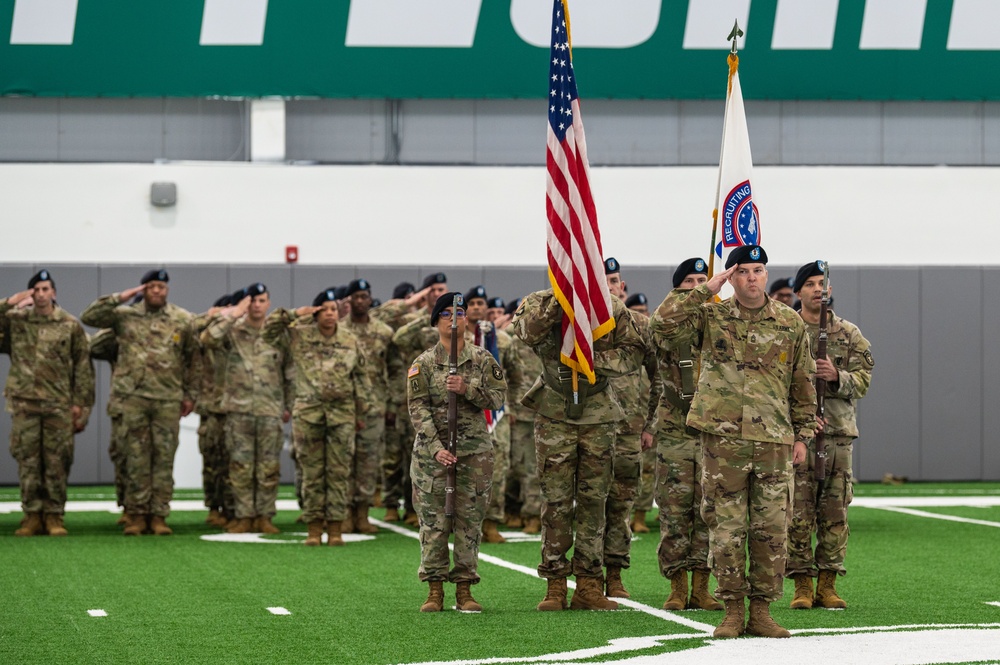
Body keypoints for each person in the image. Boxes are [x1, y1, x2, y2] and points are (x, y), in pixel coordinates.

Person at [648, 245, 816, 639]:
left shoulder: (789, 322)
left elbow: (803, 381)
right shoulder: (711, 315)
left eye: (759, 270)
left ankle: (761, 611)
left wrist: (803, 435)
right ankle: (731, 610)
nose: (753, 278)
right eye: (743, 271)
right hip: (723, 442)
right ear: (732, 277)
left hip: (774, 439)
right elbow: (661, 326)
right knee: (726, 530)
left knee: (771, 529)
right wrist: (705, 289)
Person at [510, 284, 644, 611]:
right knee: (555, 500)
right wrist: (559, 304)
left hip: (598, 411)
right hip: (554, 409)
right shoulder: (539, 301)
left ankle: (588, 583)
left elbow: (634, 351)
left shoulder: (610, 307)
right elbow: (524, 332)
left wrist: (589, 357)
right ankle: (555, 584)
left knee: (593, 500)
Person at [409, 293, 507, 612]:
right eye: (447, 314)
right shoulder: (423, 364)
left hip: (473, 454)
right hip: (432, 456)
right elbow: (417, 408)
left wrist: (468, 390)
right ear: (436, 321)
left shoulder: (482, 359)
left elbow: (498, 398)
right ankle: (434, 590)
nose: (455, 319)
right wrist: (436, 449)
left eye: (460, 313)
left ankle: (464, 589)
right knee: (434, 523)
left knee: (469, 522)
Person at [81, 269, 198, 536]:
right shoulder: (124, 316)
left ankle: (158, 515)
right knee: (135, 458)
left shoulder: (183, 319)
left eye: (161, 286)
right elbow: (89, 317)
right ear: (143, 289)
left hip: (167, 398)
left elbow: (193, 360)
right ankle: (135, 514)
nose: (157, 291)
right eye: (151, 286)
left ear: (167, 289)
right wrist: (122, 296)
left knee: (163, 459)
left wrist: (190, 395)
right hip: (132, 398)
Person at [786, 261, 874, 610]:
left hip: (837, 436)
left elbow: (864, 380)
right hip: (799, 439)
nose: (818, 289)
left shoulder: (849, 334)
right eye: (810, 283)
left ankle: (828, 585)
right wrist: (803, 419)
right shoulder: (787, 329)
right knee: (798, 513)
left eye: (823, 283)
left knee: (835, 513)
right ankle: (802, 586)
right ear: (798, 291)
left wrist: (837, 375)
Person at [263, 288, 372, 546]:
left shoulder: (349, 340)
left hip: (342, 414)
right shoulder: (299, 336)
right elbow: (268, 331)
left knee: (338, 472)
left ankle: (335, 529)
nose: (330, 314)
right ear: (315, 312)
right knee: (311, 473)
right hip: (309, 414)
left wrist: (362, 408)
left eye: (333, 309)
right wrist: (294, 314)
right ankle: (313, 528)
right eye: (324, 309)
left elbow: (361, 376)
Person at [651, 258, 723, 612]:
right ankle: (677, 586)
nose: (699, 285)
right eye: (691, 281)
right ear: (678, 287)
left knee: (708, 510)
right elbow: (661, 324)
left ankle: (702, 587)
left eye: (703, 279)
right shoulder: (672, 321)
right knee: (675, 510)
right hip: (675, 431)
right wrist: (701, 294)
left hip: (712, 431)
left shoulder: (719, 319)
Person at [2, 270, 95, 537]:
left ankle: (54, 515)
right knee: (28, 461)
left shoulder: (69, 324)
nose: (41, 294)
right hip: (24, 404)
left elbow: (83, 368)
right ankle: (32, 515)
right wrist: (11, 301)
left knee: (57, 461)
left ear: (54, 293)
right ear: (30, 294)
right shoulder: (16, 320)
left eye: (45, 289)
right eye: (36, 290)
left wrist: (81, 405)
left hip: (58, 404)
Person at [202, 283, 292, 534]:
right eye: (252, 301)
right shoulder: (232, 331)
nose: (256, 305)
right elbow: (208, 339)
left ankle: (264, 516)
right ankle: (242, 515)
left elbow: (290, 370)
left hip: (269, 408)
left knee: (268, 466)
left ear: (268, 304)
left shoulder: (277, 334)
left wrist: (289, 404)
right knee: (240, 466)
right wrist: (233, 313)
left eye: (262, 300)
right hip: (238, 410)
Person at [601, 258, 661, 599]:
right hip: (589, 429)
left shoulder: (640, 327)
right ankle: (587, 575)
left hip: (628, 432)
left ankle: (614, 574)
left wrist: (650, 425)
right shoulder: (581, 327)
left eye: (614, 280)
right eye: (604, 280)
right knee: (589, 506)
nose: (611, 286)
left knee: (621, 506)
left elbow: (659, 379)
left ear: (622, 287)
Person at [392, 272, 450, 525]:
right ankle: (406, 506)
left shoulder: (451, 322)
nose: (438, 293)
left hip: (446, 398)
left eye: (442, 289)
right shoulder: (414, 321)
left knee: (440, 455)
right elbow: (399, 338)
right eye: (433, 290)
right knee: (412, 453)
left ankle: (431, 510)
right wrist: (426, 317)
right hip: (418, 396)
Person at [341, 278, 396, 534]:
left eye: (365, 296)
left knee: (368, 462)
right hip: (343, 406)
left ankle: (362, 514)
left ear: (370, 299)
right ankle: (343, 514)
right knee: (343, 460)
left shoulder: (384, 332)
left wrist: (391, 403)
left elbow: (394, 369)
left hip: (374, 406)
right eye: (356, 297)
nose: (360, 301)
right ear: (348, 300)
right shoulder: (339, 331)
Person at [192, 293, 234, 529]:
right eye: (224, 308)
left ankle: (233, 508)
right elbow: (193, 331)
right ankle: (214, 506)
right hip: (211, 407)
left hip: (236, 407)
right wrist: (213, 317)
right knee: (213, 461)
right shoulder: (206, 333)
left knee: (233, 463)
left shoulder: (239, 335)